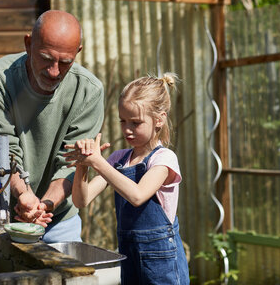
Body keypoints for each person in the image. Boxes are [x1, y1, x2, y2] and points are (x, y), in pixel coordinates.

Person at [0, 10, 105, 243]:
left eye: (65, 62)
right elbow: (2, 150)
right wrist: (24, 194)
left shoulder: (89, 91)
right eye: (46, 58)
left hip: (57, 219)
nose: (54, 71)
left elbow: (71, 163)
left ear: (77, 53)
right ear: (28, 44)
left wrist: (44, 206)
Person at [65, 73, 189, 284]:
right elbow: (81, 200)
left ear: (159, 119)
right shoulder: (118, 159)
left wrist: (98, 162)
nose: (127, 129)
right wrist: (82, 166)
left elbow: (138, 195)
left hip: (161, 261)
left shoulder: (164, 159)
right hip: (129, 255)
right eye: (123, 121)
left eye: (136, 122)